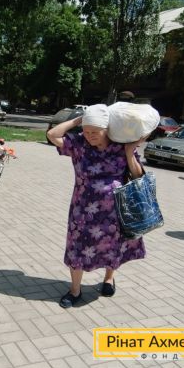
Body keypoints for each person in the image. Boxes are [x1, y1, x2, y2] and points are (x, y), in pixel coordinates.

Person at [47, 104, 146, 308]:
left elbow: (138, 175)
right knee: (77, 248)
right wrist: (79, 120)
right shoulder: (79, 144)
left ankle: (109, 279)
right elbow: (52, 135)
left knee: (113, 246)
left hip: (114, 212)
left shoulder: (120, 146)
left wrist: (129, 153)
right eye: (86, 131)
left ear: (107, 129)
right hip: (82, 210)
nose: (90, 135)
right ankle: (75, 291)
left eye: (95, 131)